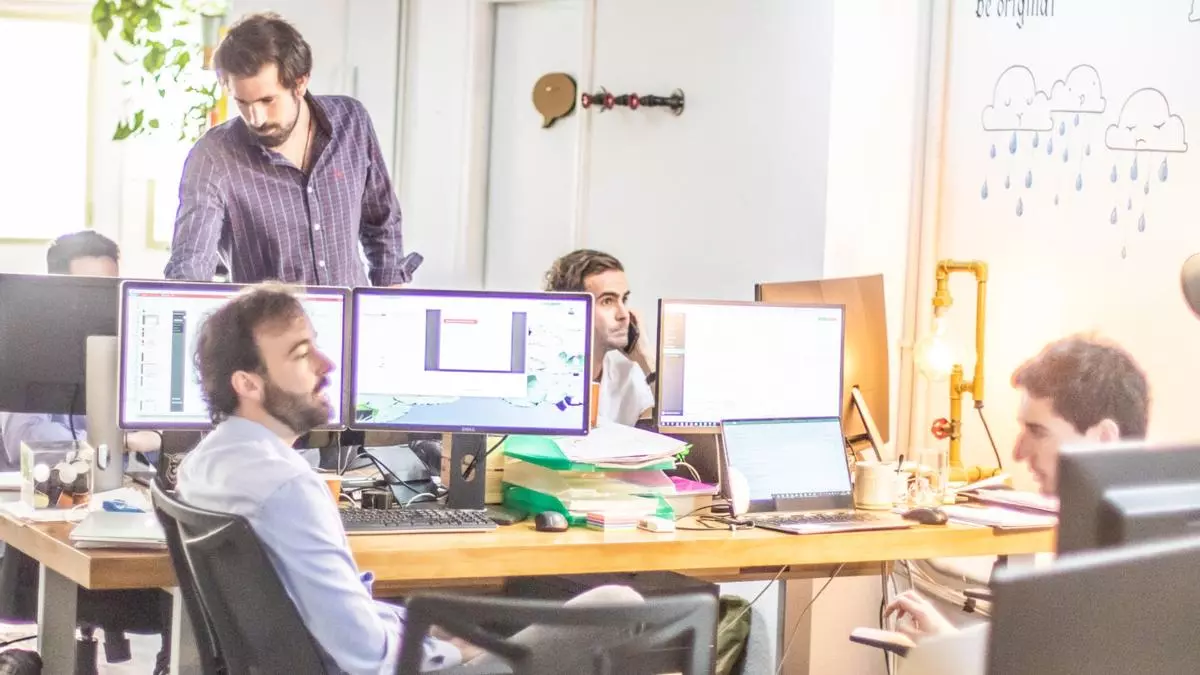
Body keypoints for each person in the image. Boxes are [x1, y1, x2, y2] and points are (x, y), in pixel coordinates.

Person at [177, 285, 641, 673]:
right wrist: (453, 652)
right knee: (617, 603)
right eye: (302, 354)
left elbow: (333, 611)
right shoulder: (289, 488)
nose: (327, 364)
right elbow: (364, 654)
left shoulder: (203, 464)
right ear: (248, 384)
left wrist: (422, 631)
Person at [885, 334, 1149, 642]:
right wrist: (947, 644)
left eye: (1038, 431)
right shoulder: (1103, 538)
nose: (1018, 452)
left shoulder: (1134, 567)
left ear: (1103, 439)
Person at [0, 231, 170, 672]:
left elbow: (161, 446)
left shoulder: (134, 352)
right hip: (51, 535)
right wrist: (118, 441)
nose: (99, 309)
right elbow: (31, 443)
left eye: (109, 291)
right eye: (87, 294)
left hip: (128, 527)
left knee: (199, 580)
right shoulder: (27, 353)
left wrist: (161, 439)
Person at [164, 12, 413, 287]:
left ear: (300, 83)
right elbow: (190, 265)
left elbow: (381, 220)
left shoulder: (351, 122)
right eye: (242, 102)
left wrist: (390, 299)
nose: (256, 118)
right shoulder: (214, 155)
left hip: (350, 313)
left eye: (267, 100)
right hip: (265, 317)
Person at [543, 250, 655, 426]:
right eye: (607, 301)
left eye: (624, 299)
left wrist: (647, 359)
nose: (624, 315)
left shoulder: (630, 375)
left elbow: (676, 428)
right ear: (571, 309)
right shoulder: (541, 378)